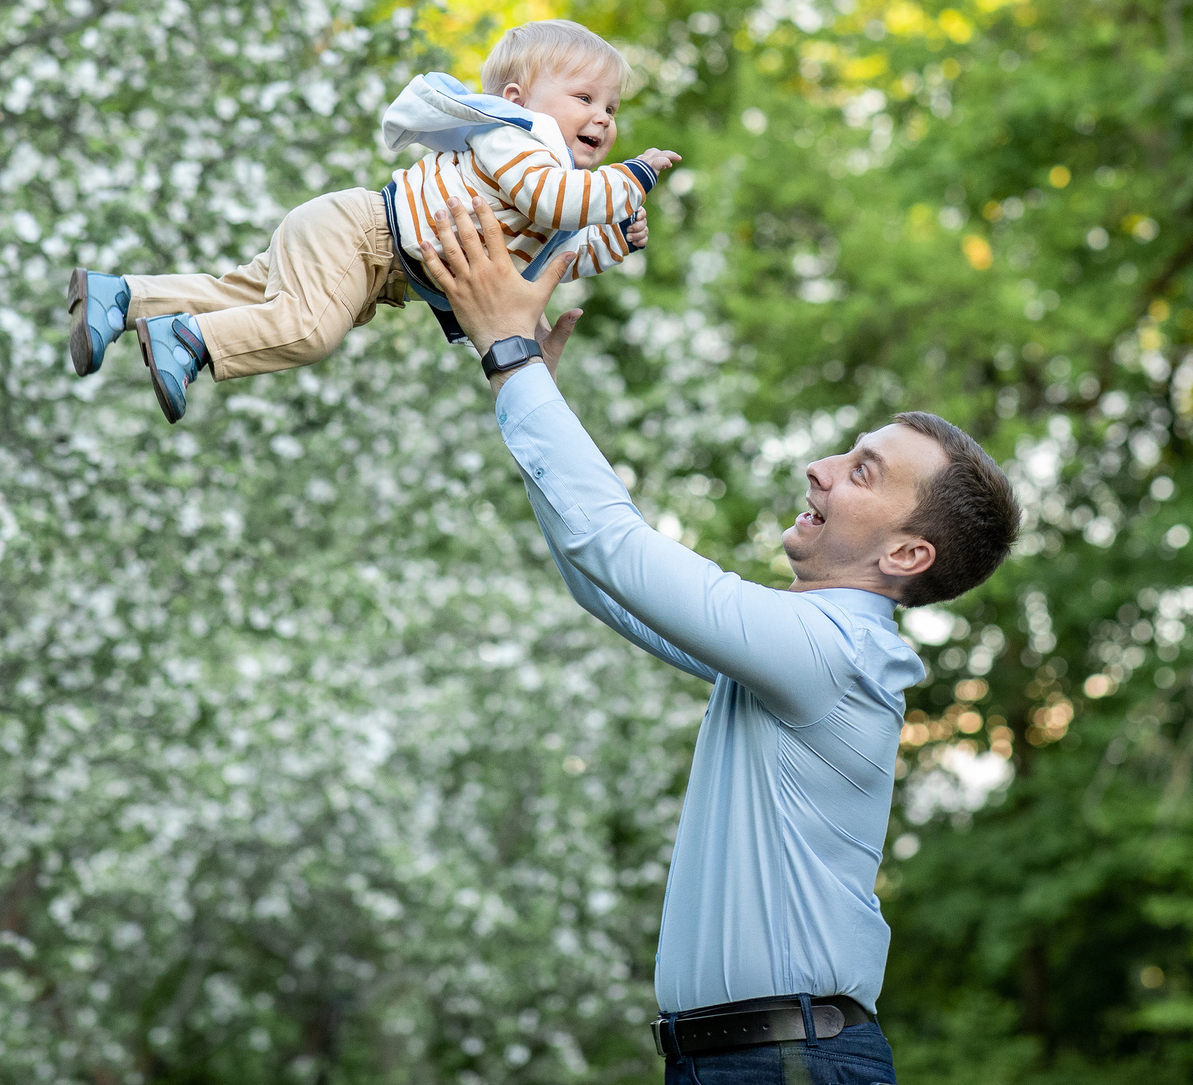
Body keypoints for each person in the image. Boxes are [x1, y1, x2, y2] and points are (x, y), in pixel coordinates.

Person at [417, 184, 1022, 1084]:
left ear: (906, 552)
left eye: (861, 471)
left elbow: (614, 548)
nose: (818, 468)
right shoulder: (801, 649)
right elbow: (602, 581)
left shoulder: (830, 653)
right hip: (753, 1060)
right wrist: (518, 383)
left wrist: (513, 356)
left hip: (785, 1063)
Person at [61, 19, 681, 422]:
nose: (603, 118)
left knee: (244, 298)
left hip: (367, 252)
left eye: (611, 107)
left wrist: (614, 239)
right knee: (307, 331)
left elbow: (553, 255)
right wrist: (634, 176)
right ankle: (189, 342)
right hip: (363, 237)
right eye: (584, 98)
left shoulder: (553, 184)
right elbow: (559, 202)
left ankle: (122, 298)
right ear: (517, 100)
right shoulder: (516, 139)